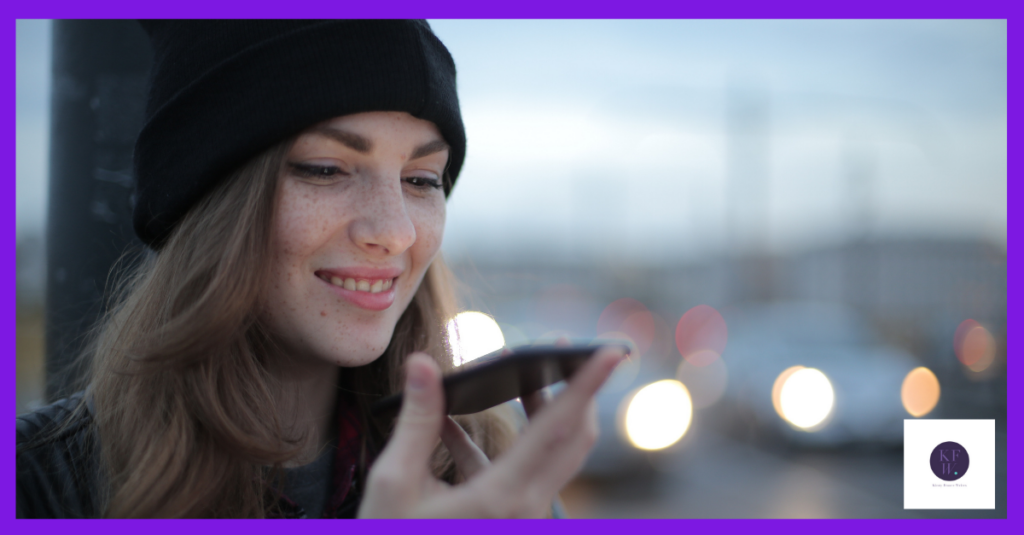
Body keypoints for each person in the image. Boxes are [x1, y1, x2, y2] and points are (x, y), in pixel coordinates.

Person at [16, 20, 624, 519]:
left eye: (421, 180)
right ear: (209, 202)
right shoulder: (34, 486)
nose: (393, 231)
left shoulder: (482, 474)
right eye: (326, 170)